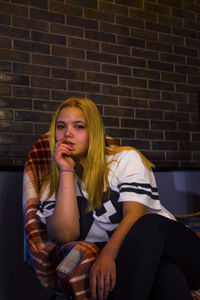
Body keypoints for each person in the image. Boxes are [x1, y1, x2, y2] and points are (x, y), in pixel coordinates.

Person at [37, 97, 200, 300]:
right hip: (146, 265)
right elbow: (65, 235)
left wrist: (107, 255)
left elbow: (134, 216)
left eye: (79, 126)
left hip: (182, 252)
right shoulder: (54, 184)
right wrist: (67, 170)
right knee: (166, 276)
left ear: (94, 132)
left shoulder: (124, 159)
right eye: (61, 126)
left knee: (148, 224)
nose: (67, 133)